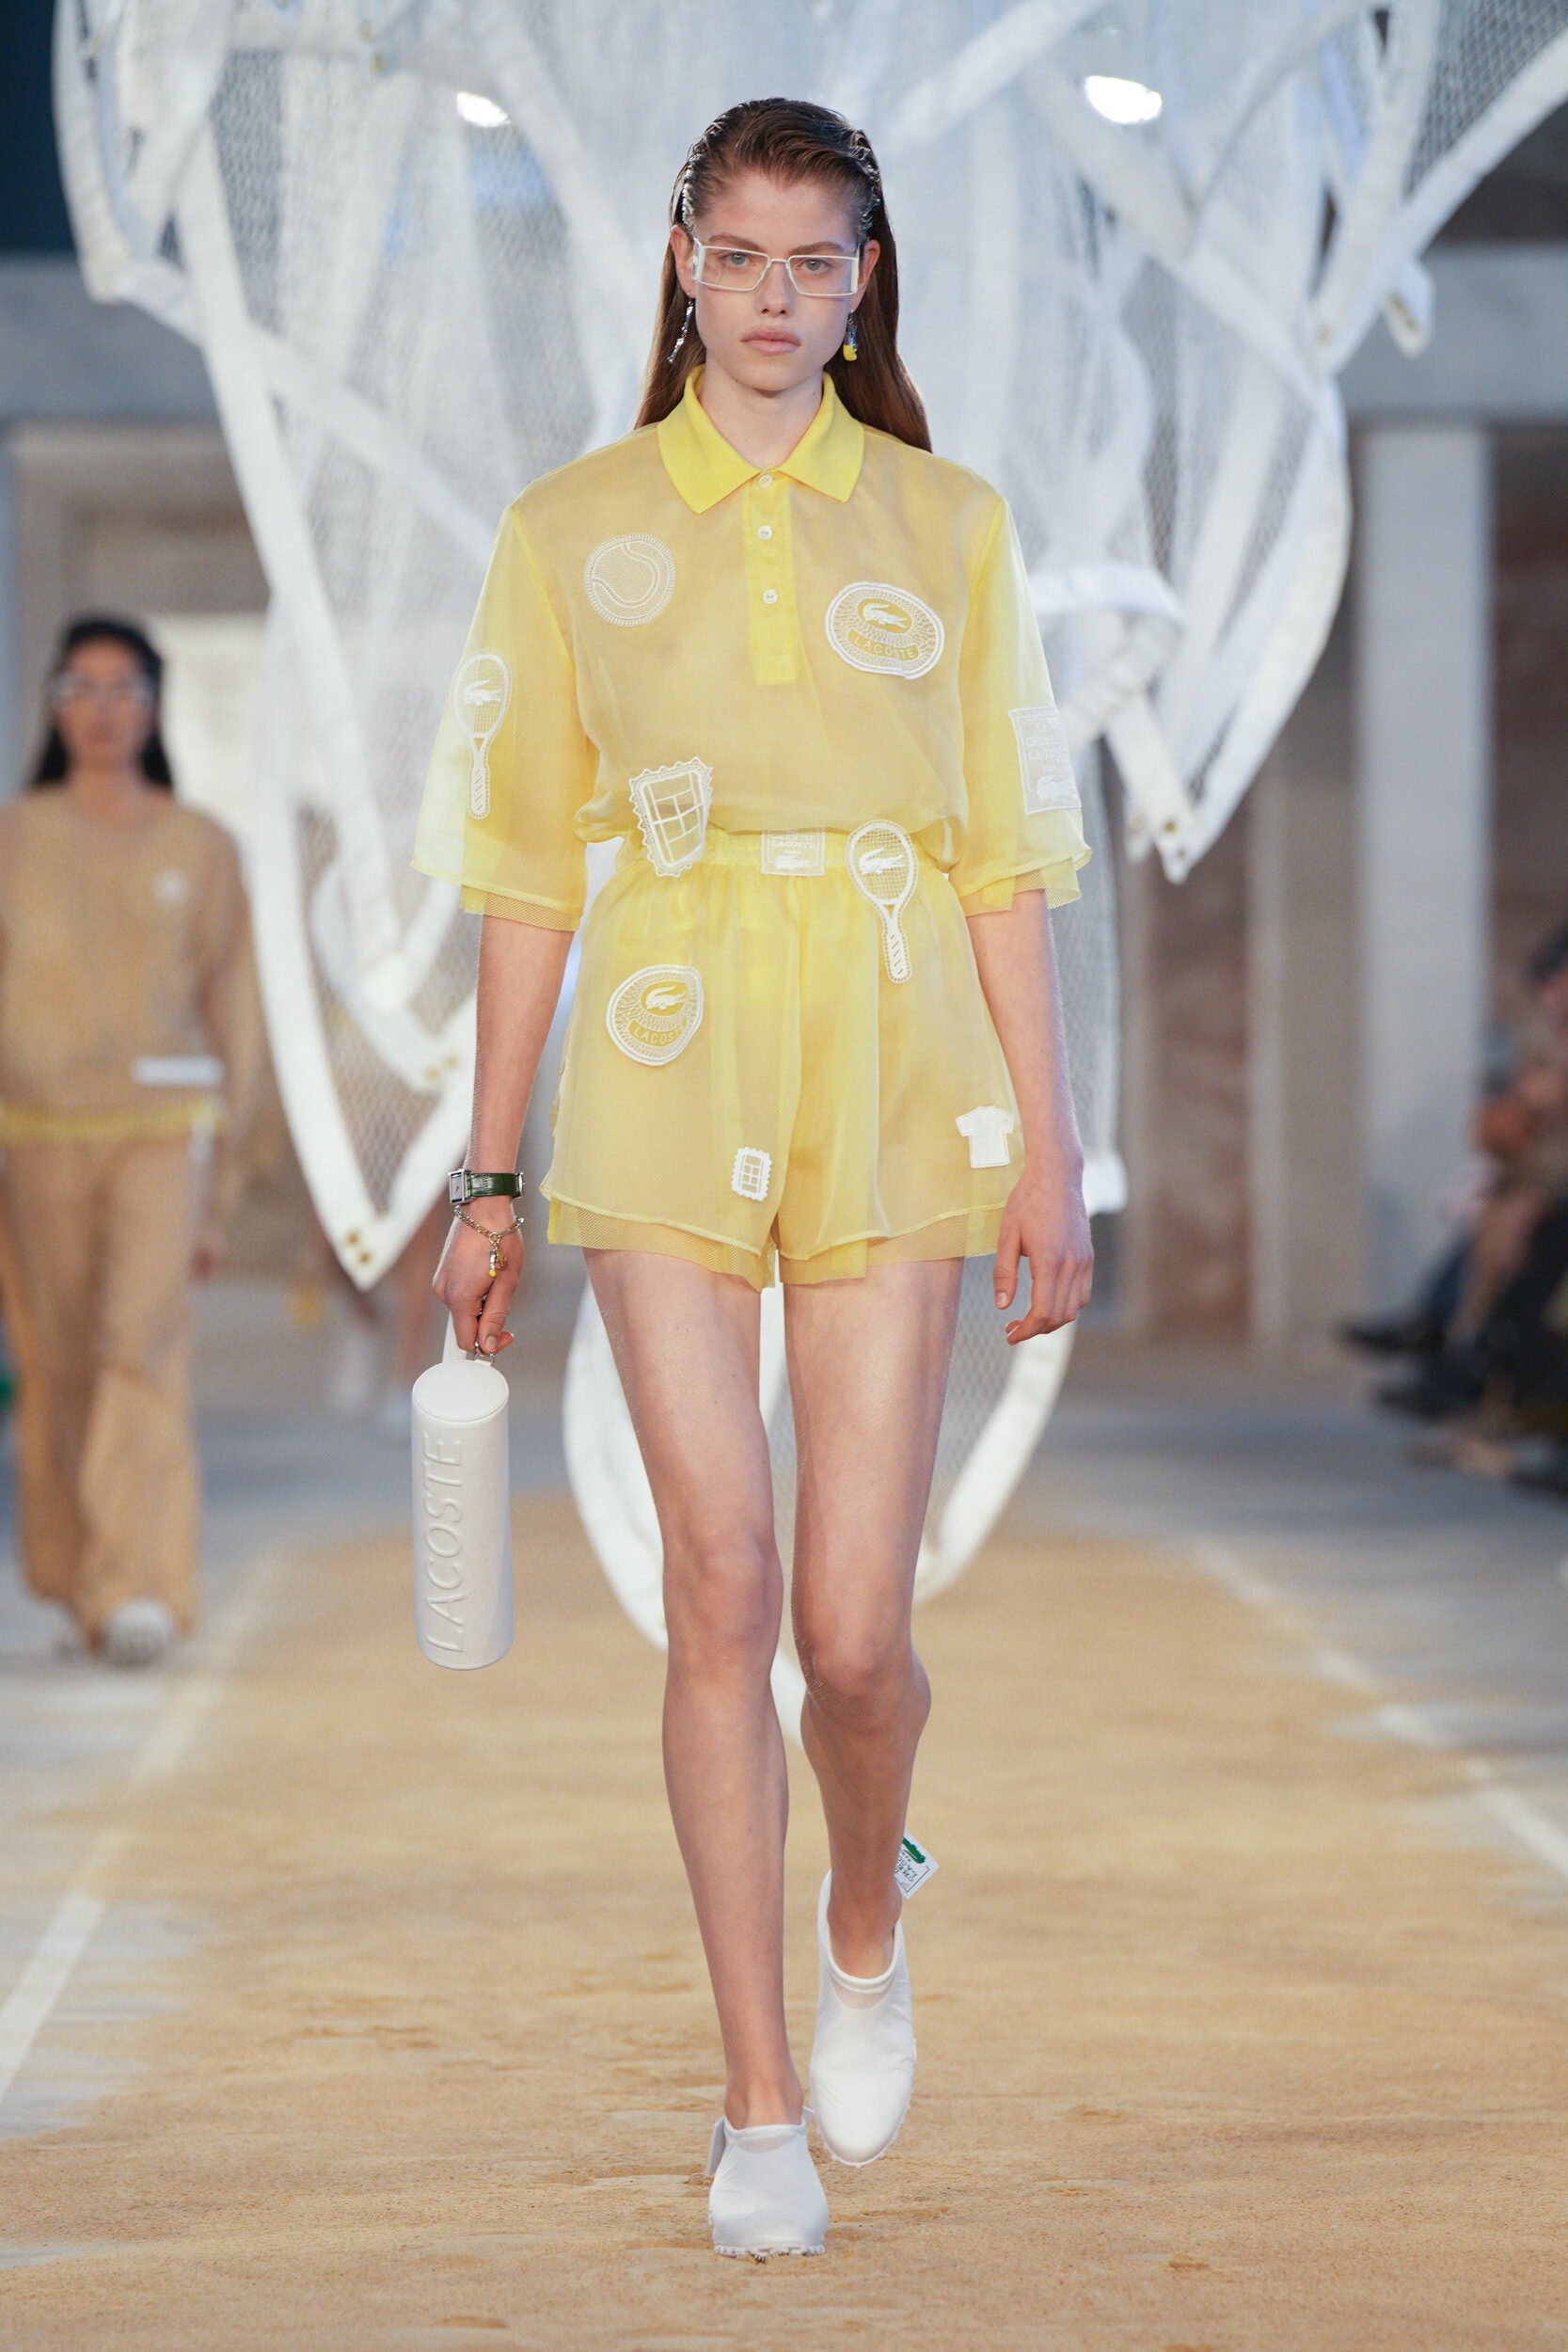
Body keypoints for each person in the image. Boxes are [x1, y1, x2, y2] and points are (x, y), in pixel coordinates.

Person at [419, 100, 1092, 2258]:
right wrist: (487, 1175)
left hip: (899, 1059)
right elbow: (524, 873)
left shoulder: (949, 524)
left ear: (863, 275)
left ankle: (863, 1914)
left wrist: (1049, 1151)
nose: (774, 296)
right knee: (720, 1582)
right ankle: (756, 2103)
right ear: (680, 267)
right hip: (659, 1049)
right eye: (738, 257)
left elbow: (1003, 860)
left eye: (815, 260)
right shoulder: (571, 527)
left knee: (852, 1632)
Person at [0, 617, 261, 1667]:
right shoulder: (15, 837)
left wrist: (228, 1175)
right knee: (57, 1360)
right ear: (55, 704)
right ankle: (79, 1584)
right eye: (83, 687)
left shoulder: (202, 846)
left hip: (163, 1133)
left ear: (154, 706)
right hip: (32, 1136)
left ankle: (143, 1584)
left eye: (124, 688)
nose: (103, 709)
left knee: (137, 1348)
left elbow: (235, 1007)